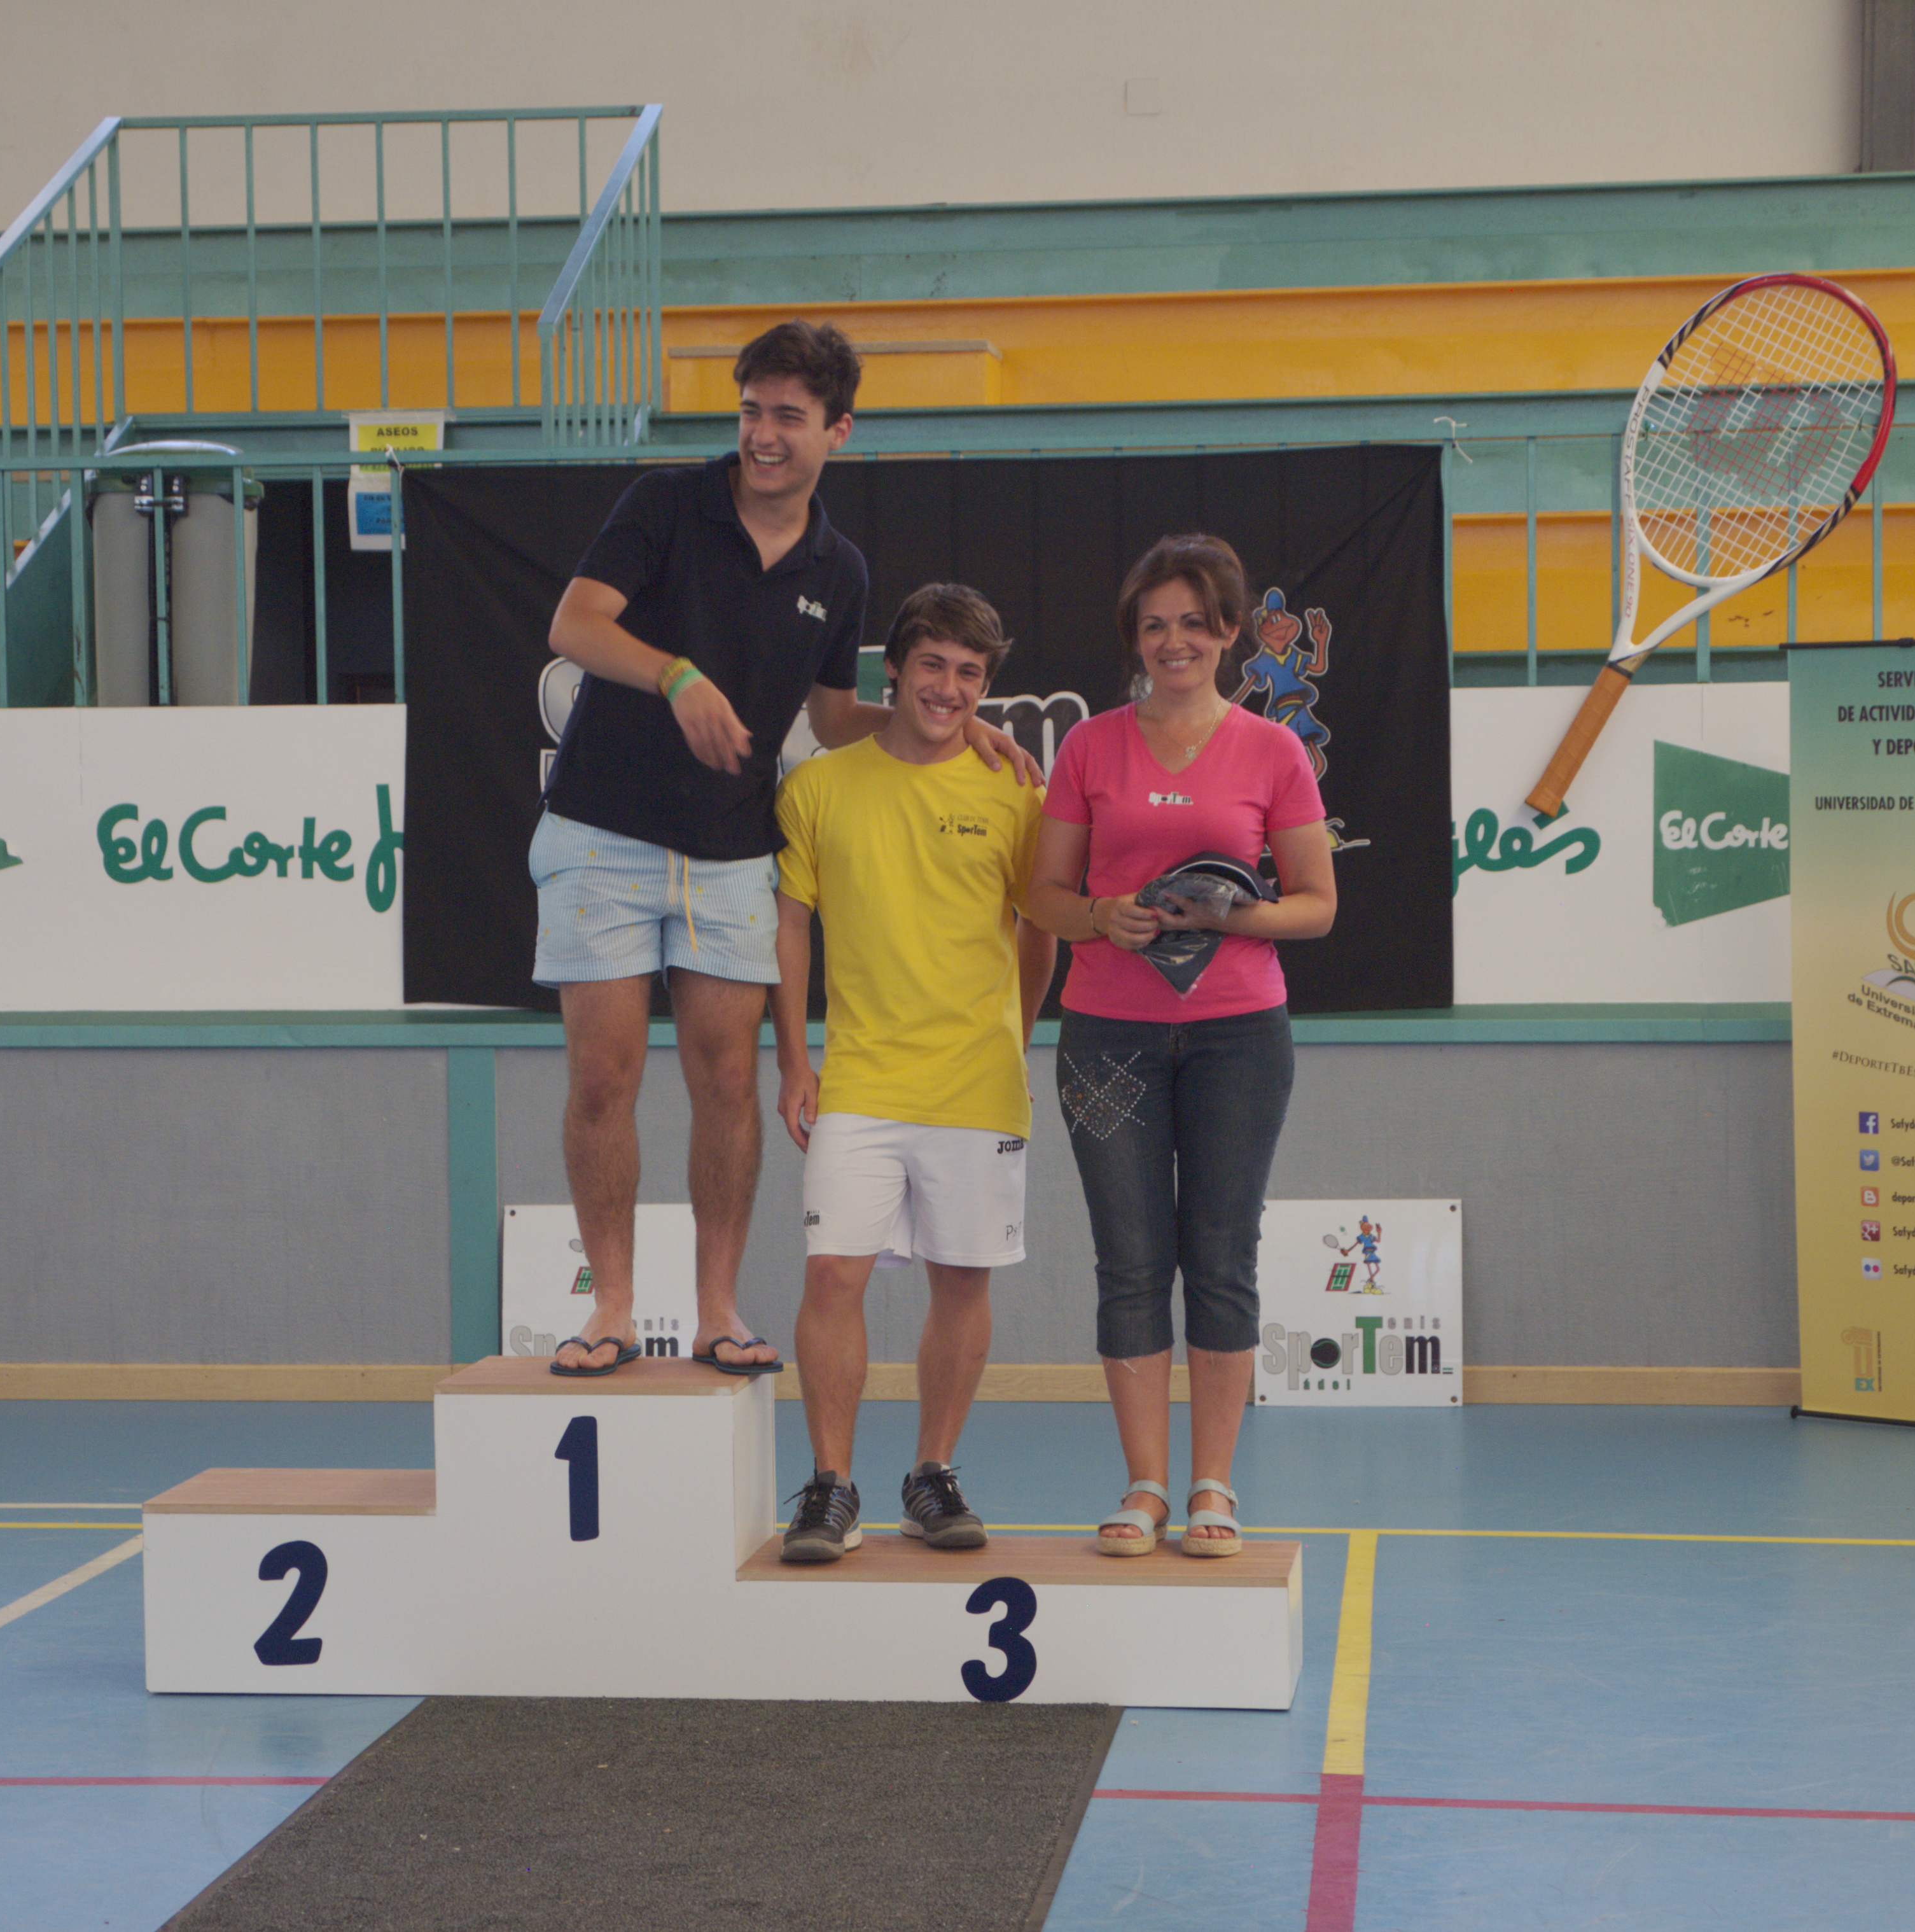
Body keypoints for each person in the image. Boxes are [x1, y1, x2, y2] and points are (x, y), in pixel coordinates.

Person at [533, 321, 1036, 1380]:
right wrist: (676, 676)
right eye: (751, 411)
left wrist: (949, 727)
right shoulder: (666, 503)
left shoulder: (838, 568)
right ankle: (611, 1306)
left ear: (837, 432)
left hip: (729, 852)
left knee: (727, 1078)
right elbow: (574, 627)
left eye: (789, 417)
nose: (764, 434)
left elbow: (834, 715)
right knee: (603, 1077)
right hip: (602, 833)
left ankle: (717, 1307)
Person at [1023, 534, 1337, 1555]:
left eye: (1195, 624)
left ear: (1230, 632)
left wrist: (1228, 916)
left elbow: (1318, 906)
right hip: (1106, 1038)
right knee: (1129, 1261)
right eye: (1155, 625)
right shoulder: (1088, 748)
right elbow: (1043, 897)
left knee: (1221, 1257)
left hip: (1240, 1039)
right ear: (1134, 637)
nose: (1174, 643)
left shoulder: (1272, 751)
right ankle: (1145, 1487)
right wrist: (1099, 917)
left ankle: (1213, 1487)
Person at [768, 585, 1055, 1561]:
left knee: (963, 1281)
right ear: (893, 669)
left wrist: (1014, 1041)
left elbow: (1040, 931)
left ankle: (932, 1475)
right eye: (932, 664)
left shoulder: (1014, 791)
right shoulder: (818, 787)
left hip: (977, 1083)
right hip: (858, 1080)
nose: (949, 688)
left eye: (970, 673)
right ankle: (830, 1486)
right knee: (831, 1274)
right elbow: (791, 927)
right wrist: (795, 1060)